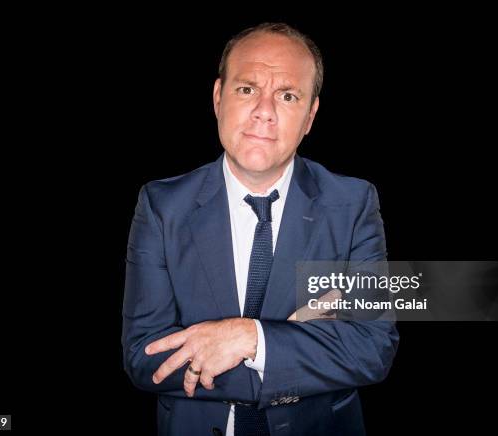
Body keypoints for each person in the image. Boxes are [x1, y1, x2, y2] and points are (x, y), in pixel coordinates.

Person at [122, 22, 398, 436]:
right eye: (247, 89)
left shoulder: (353, 205)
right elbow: (146, 358)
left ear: (310, 115)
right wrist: (299, 352)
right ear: (218, 98)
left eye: (287, 96)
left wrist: (250, 338)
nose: (264, 111)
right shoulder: (161, 207)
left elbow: (372, 348)